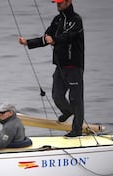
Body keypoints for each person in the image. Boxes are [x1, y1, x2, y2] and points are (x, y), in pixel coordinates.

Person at [18, 0, 84, 137]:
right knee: (57, 96)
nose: (58, 5)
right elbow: (46, 37)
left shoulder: (76, 20)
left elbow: (69, 36)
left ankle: (76, 131)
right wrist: (28, 43)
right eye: (56, 3)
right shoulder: (57, 20)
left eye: (60, 2)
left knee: (75, 99)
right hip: (60, 66)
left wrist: (54, 40)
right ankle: (67, 111)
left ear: (69, 2)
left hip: (74, 67)